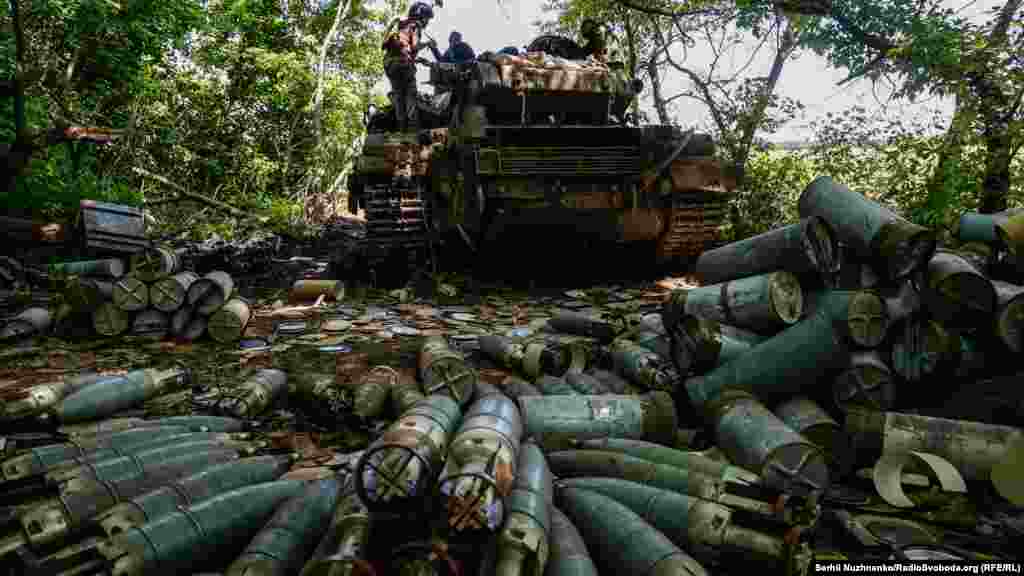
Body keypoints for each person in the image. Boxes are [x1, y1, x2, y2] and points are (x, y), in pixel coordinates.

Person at [382, 2, 443, 132]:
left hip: (389, 64)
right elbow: (414, 46)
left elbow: (405, 48)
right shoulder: (416, 25)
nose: (427, 22)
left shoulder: (402, 25)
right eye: (427, 18)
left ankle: (402, 129)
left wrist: (417, 59)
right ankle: (412, 130)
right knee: (411, 97)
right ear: (421, 16)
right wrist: (428, 43)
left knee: (399, 97)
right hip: (404, 65)